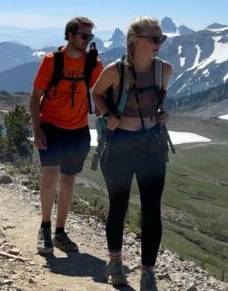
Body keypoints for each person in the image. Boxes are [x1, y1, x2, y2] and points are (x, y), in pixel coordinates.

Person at [91, 16, 172, 291]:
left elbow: (160, 100)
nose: (159, 43)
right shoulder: (115, 71)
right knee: (118, 205)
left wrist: (162, 114)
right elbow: (96, 93)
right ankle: (115, 263)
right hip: (121, 144)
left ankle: (148, 272)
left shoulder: (164, 70)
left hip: (151, 144)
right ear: (136, 40)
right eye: (154, 38)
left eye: (161, 38)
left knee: (152, 210)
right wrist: (108, 115)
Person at [29, 16, 103, 255]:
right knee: (50, 175)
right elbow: (35, 97)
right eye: (84, 36)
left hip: (78, 130)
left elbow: (101, 93)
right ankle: (45, 227)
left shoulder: (92, 64)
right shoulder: (52, 61)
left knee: (69, 180)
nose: (87, 40)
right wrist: (37, 129)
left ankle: (60, 231)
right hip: (51, 126)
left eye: (90, 36)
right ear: (70, 35)